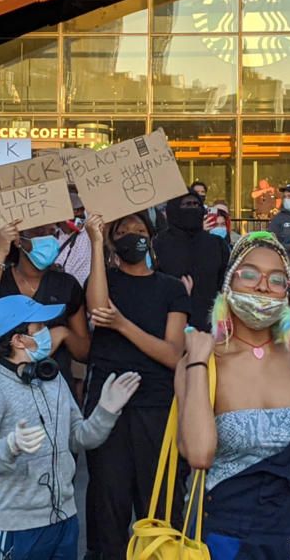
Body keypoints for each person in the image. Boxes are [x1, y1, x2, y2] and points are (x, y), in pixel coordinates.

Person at [176, 231, 290, 557]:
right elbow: (198, 455)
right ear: (228, 284)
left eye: (277, 279)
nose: (263, 286)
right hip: (227, 537)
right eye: (249, 274)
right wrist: (195, 361)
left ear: (288, 292)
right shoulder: (202, 362)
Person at [0, 294, 140, 560]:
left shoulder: (51, 375)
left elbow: (78, 438)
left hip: (65, 520)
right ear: (18, 339)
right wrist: (10, 446)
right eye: (39, 328)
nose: (48, 332)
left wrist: (106, 411)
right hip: (16, 527)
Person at [83, 212, 190, 560]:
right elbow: (98, 308)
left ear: (151, 237)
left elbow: (174, 354)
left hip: (156, 407)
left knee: (158, 501)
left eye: (140, 230)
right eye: (123, 231)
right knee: (107, 500)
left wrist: (123, 324)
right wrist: (96, 241)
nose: (133, 235)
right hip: (107, 406)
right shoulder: (105, 281)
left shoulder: (171, 288)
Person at [0, 221, 89, 386]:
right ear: (19, 239)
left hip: (53, 387)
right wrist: (1, 252)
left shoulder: (67, 285)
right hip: (4, 387)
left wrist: (64, 333)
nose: (47, 239)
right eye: (39, 233)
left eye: (52, 233)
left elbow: (83, 352)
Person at [152, 192, 229, 330]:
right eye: (187, 204)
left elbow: (223, 283)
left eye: (196, 204)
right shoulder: (158, 245)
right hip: (168, 325)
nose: (192, 208)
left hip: (210, 326)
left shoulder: (216, 244)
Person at [55, 193, 91, 287]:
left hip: (83, 294)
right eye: (74, 210)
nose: (78, 213)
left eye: (81, 209)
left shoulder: (89, 231)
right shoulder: (50, 234)